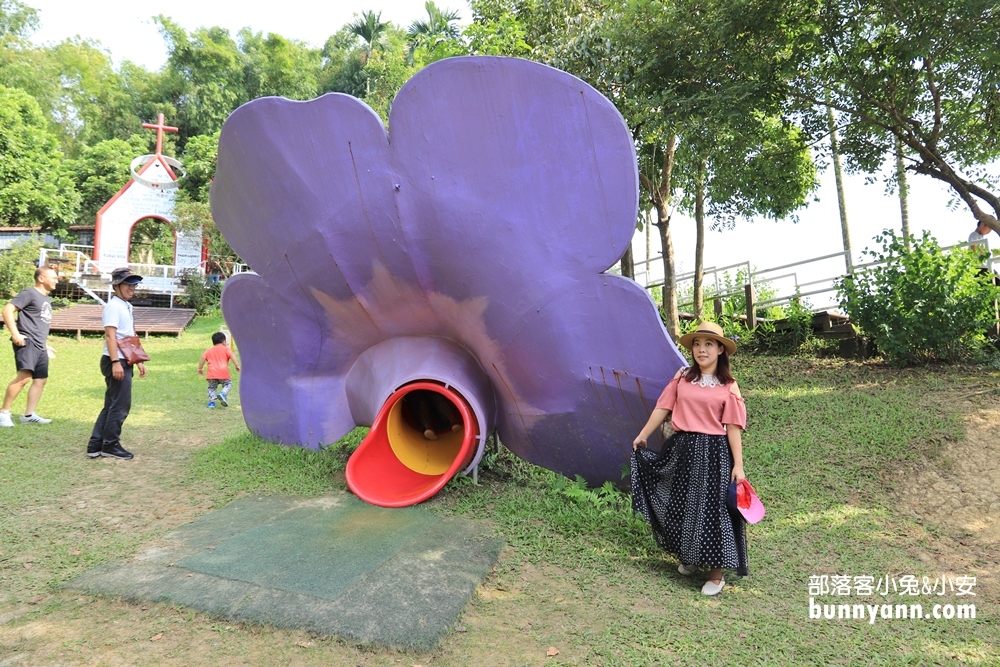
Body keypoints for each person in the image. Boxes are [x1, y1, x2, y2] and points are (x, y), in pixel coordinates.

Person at [631, 321, 748, 596]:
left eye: (708, 344)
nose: (701, 349)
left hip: (715, 454)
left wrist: (738, 465)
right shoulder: (682, 376)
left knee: (713, 511)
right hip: (682, 449)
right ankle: (691, 557)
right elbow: (663, 407)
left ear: (721, 349)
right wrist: (643, 434)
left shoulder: (729, 386)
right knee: (682, 504)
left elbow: (733, 427)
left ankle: (716, 575)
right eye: (697, 344)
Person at [86, 268, 146, 460]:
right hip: (115, 360)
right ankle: (110, 445)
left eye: (133, 284)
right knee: (120, 405)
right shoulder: (114, 307)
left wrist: (138, 359)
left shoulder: (126, 306)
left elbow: (129, 334)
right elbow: (110, 335)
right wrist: (115, 363)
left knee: (111, 404)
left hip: (124, 358)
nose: (132, 288)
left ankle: (95, 444)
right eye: (127, 284)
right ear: (116, 286)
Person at [1, 266, 58, 427]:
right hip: (27, 342)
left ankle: (28, 414)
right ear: (41, 278)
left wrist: (45, 345)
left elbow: (37, 324)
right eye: (53, 277)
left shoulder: (45, 298)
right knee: (24, 377)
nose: (56, 280)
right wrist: (15, 334)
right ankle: (3, 412)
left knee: (41, 379)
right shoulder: (29, 293)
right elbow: (7, 310)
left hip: (39, 345)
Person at [197, 331, 240, 407]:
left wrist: (200, 368)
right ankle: (223, 393)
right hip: (223, 373)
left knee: (212, 388)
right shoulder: (226, 349)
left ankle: (211, 403)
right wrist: (236, 365)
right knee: (228, 384)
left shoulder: (209, 350)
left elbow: (203, 358)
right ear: (224, 342)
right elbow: (232, 355)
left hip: (212, 374)